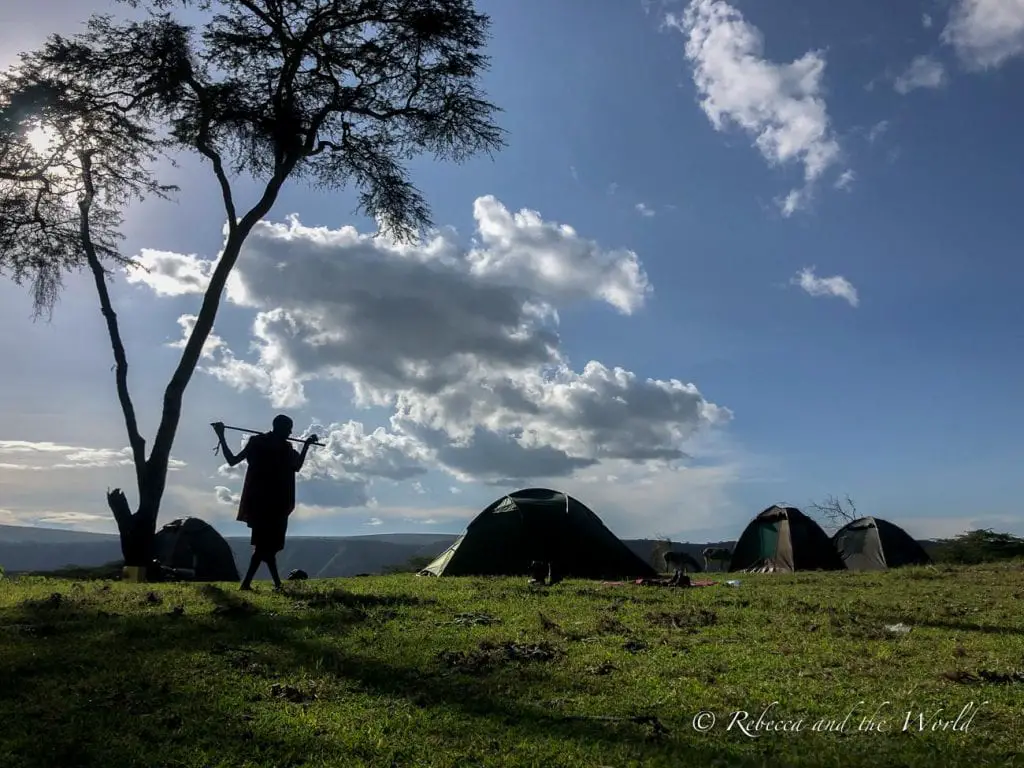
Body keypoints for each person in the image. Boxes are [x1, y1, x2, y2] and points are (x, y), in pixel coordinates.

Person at [212, 416, 318, 591]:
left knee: (268, 548)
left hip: (275, 504)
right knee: (264, 547)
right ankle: (251, 584)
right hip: (265, 503)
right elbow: (232, 461)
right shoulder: (259, 443)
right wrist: (221, 436)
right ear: (280, 427)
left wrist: (306, 445)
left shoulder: (282, 447)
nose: (291, 432)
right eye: (289, 428)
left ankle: (272, 584)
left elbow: (297, 466)